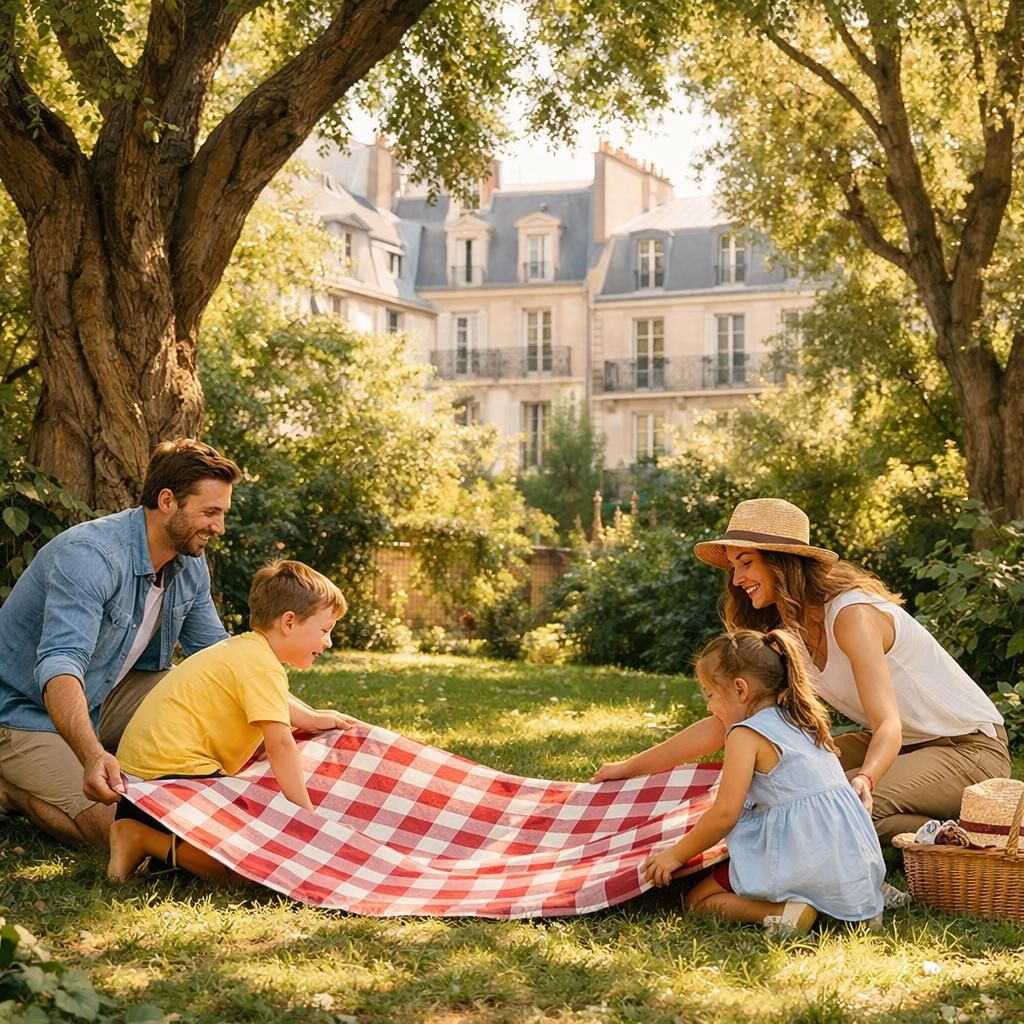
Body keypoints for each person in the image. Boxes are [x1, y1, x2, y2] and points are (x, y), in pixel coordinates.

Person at [597, 498, 1010, 845]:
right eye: (733, 569)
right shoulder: (786, 635)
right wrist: (628, 769)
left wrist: (866, 778)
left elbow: (889, 724)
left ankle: (982, 833)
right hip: (903, 748)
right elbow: (731, 722)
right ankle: (945, 833)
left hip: (968, 749)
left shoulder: (852, 616)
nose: (737, 579)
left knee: (840, 804)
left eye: (746, 564)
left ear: (781, 562)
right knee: (787, 782)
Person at [0, 438, 240, 849]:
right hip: (22, 710)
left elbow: (219, 658)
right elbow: (60, 665)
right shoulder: (90, 555)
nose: (219, 527)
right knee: (121, 830)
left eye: (222, 513)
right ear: (167, 501)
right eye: (210, 512)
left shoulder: (189, 564)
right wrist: (93, 755)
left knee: (206, 691)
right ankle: (10, 791)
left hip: (105, 694)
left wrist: (291, 717)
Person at [107, 559, 351, 884]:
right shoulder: (262, 666)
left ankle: (159, 848)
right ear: (289, 622)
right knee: (250, 872)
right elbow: (280, 745)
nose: (328, 642)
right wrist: (305, 815)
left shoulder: (242, 650)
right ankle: (141, 839)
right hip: (171, 785)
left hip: (141, 791)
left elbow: (273, 704)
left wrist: (313, 718)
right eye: (324, 630)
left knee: (242, 848)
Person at [642, 629, 885, 932]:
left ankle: (781, 913)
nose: (709, 707)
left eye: (710, 695)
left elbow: (725, 813)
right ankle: (858, 901)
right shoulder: (802, 719)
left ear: (740, 689)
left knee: (697, 900)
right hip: (851, 862)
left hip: (802, 857)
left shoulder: (745, 733)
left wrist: (674, 855)